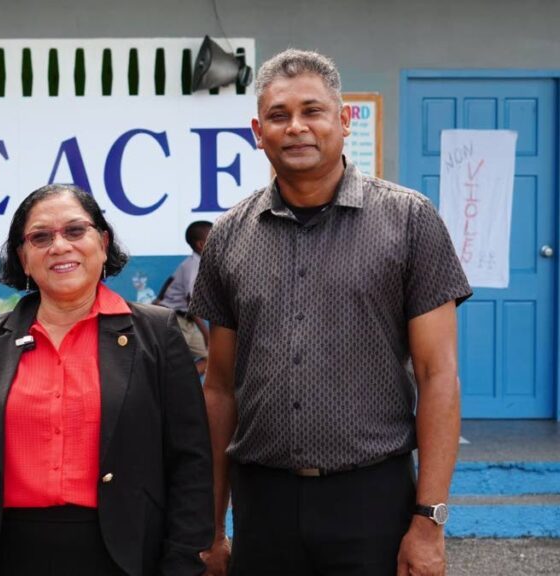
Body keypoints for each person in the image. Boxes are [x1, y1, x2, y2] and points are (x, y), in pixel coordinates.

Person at [192, 49, 471, 576]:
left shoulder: (410, 221)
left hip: (372, 498)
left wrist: (428, 521)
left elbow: (439, 376)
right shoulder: (228, 236)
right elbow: (220, 387)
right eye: (279, 115)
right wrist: (210, 525)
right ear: (258, 131)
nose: (296, 127)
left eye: (312, 111)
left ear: (343, 120)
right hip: (263, 501)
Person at [0, 183, 214, 576]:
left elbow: (191, 464)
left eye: (75, 231)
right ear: (23, 258)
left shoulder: (157, 333)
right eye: (41, 237)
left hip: (128, 556)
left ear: (103, 242)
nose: (59, 246)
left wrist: (182, 565)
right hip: (7, 556)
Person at [154, 221, 212, 375]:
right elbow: (191, 302)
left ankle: (181, 382)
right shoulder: (194, 266)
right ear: (201, 245)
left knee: (210, 358)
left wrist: (159, 298)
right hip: (176, 322)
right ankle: (172, 388)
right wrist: (207, 335)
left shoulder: (195, 263)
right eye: (214, 239)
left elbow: (170, 280)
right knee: (168, 362)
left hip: (187, 322)